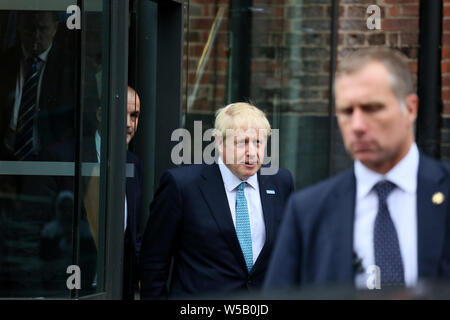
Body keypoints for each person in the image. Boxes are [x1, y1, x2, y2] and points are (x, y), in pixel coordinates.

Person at [264, 47, 450, 294]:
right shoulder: (309, 212)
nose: (358, 126)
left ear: (411, 109)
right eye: (346, 112)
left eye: (372, 108)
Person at [139, 102, 294, 299]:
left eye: (258, 142)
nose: (252, 152)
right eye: (242, 143)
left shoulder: (281, 182)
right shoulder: (182, 185)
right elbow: (154, 261)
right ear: (220, 143)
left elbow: (290, 253)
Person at [38, 86, 143, 298]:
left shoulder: (133, 165)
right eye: (122, 113)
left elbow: (134, 234)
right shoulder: (63, 157)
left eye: (134, 116)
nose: (129, 124)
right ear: (99, 114)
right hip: (65, 290)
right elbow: (35, 226)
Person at [0, 10, 98, 161]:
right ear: (19, 26)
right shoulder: (5, 63)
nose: (36, 35)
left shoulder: (75, 69)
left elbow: (87, 127)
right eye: (30, 28)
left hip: (53, 166)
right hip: (7, 162)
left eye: (42, 28)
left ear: (55, 28)